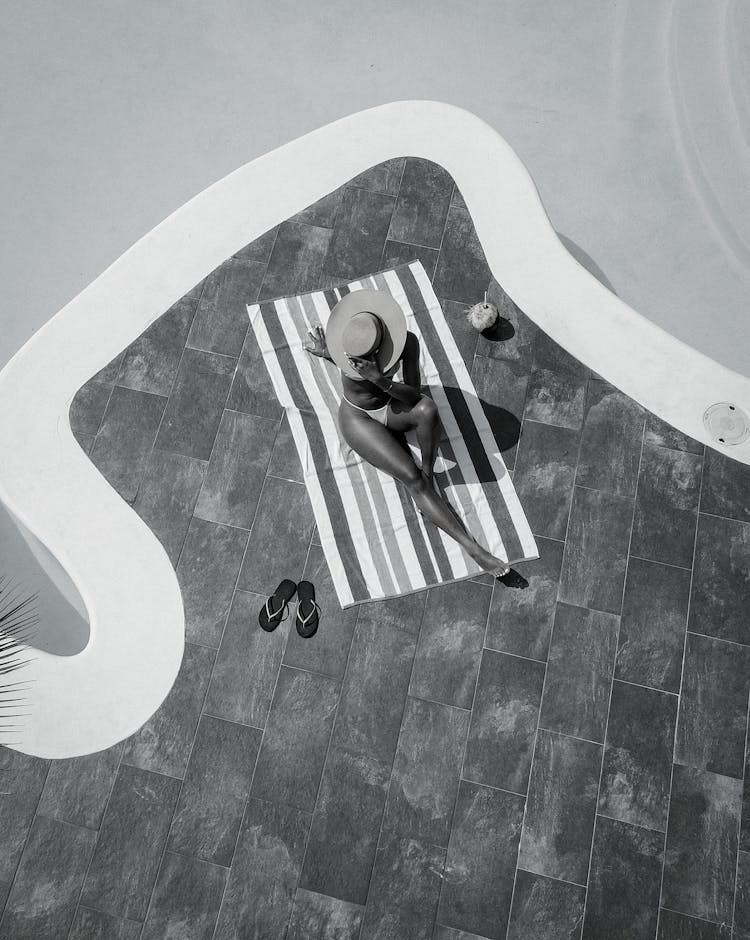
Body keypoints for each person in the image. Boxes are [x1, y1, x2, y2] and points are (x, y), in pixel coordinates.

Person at [305, 289, 521, 583]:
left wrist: (379, 380)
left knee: (427, 410)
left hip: (392, 406)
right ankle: (475, 550)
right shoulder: (348, 343)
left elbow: (414, 394)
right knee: (411, 478)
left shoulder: (406, 343)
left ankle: (429, 471)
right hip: (359, 418)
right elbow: (343, 359)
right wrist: (327, 352)